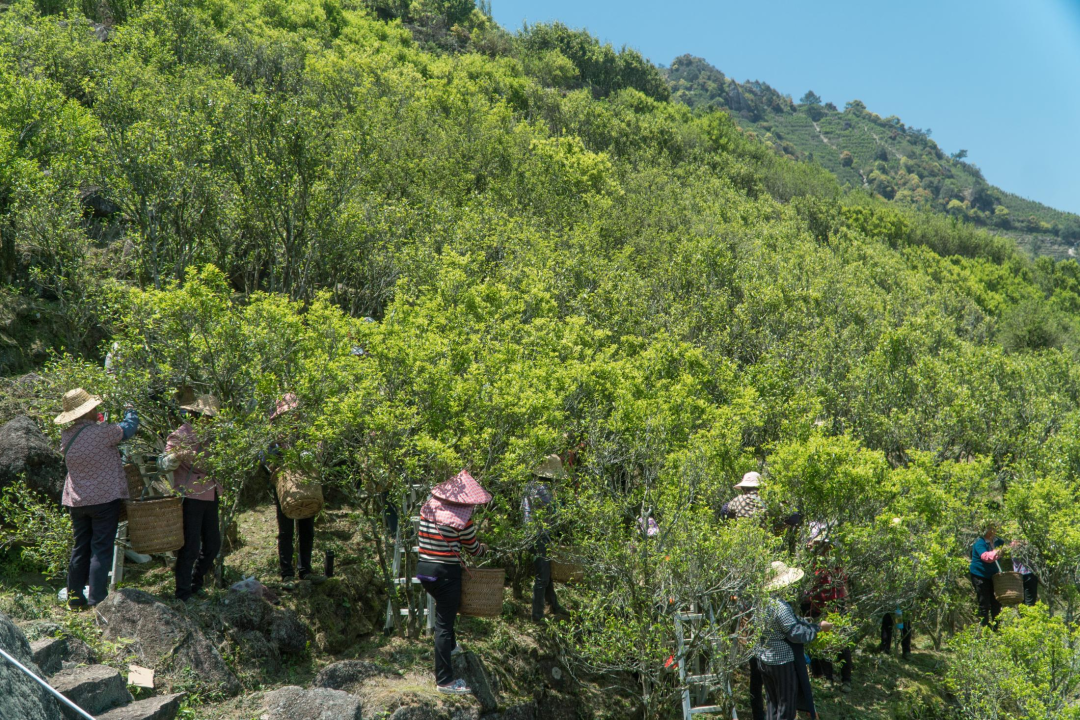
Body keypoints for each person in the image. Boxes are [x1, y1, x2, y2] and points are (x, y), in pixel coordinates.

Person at [55, 388, 139, 610]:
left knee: (81, 548)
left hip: (77, 502)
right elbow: (129, 429)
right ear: (88, 411)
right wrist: (131, 410)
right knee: (101, 548)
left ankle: (74, 598)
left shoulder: (66, 436)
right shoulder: (103, 433)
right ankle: (97, 600)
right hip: (104, 500)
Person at [416, 470, 491, 695]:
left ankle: (452, 648)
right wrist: (484, 549)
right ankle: (445, 681)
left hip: (425, 570)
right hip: (447, 573)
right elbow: (474, 549)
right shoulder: (462, 520)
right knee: (444, 626)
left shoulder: (428, 508)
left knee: (444, 613)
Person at [163, 389, 222, 602]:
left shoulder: (214, 437)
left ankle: (196, 583)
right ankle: (183, 592)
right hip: (191, 495)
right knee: (190, 546)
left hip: (211, 493)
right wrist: (179, 454)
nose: (209, 421)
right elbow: (167, 457)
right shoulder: (182, 433)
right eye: (207, 417)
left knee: (213, 544)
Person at [754, 561, 832, 720]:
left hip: (764, 658)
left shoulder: (760, 602)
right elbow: (795, 634)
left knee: (772, 704)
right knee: (786, 707)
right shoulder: (780, 607)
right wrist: (818, 628)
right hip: (781, 661)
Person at [267, 393, 326, 587]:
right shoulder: (274, 436)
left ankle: (305, 569)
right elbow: (266, 458)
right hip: (285, 485)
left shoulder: (306, 433)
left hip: (305, 482)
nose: (293, 417)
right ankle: (287, 572)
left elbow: (318, 451)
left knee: (307, 526)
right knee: (286, 529)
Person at [802, 524, 852, 694]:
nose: (824, 549)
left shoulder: (835, 563)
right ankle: (827, 678)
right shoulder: (812, 563)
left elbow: (843, 584)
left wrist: (846, 604)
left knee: (841, 643)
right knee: (820, 641)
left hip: (835, 606)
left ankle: (846, 679)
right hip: (817, 606)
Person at [523, 454, 569, 623]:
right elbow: (557, 511)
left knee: (546, 573)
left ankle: (554, 605)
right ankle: (537, 615)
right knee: (542, 576)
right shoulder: (543, 489)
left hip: (530, 534)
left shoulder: (530, 486)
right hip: (539, 534)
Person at [969, 523, 1005, 627]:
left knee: (996, 602)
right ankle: (984, 627)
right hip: (980, 575)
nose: (993, 531)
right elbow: (986, 557)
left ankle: (996, 628)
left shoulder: (999, 542)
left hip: (994, 576)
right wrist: (999, 551)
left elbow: (1008, 548)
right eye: (991, 528)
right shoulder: (979, 543)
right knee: (984, 603)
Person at [1010, 540, 1038, 606]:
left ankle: (1025, 615)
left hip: (1019, 576)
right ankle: (1028, 615)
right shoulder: (1027, 545)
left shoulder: (1013, 546)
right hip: (1027, 575)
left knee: (1023, 602)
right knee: (1028, 601)